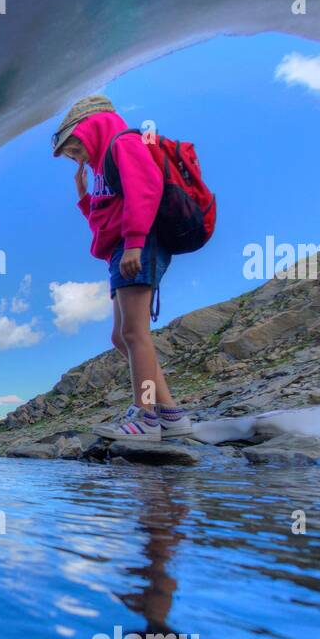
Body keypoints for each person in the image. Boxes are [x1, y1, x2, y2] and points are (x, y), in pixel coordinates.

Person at [51, 94, 194, 442]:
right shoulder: (101, 168)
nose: (76, 158)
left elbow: (144, 190)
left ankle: (146, 415)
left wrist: (134, 242)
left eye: (76, 149)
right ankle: (170, 414)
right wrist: (84, 197)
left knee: (134, 332)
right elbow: (104, 220)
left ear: (90, 129)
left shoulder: (124, 143)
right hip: (123, 249)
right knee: (122, 336)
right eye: (71, 156)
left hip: (138, 245)